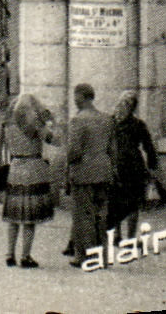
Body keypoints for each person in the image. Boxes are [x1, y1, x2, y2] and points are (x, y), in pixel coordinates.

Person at [3, 92, 59, 268]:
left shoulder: (9, 124)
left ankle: (10, 254)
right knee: (29, 217)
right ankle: (25, 255)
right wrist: (53, 123)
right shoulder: (33, 124)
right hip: (33, 167)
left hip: (15, 167)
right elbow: (53, 140)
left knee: (14, 216)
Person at [65, 83, 115, 268]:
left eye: (75, 96)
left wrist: (68, 167)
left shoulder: (78, 121)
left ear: (82, 97)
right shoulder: (106, 119)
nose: (74, 100)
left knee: (83, 216)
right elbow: (112, 149)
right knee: (101, 216)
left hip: (83, 173)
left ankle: (85, 256)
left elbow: (73, 151)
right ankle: (103, 256)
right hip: (103, 171)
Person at [106, 91, 157, 241]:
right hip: (133, 166)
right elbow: (149, 147)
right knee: (131, 203)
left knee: (116, 200)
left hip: (116, 165)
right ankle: (129, 237)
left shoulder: (110, 122)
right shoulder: (138, 124)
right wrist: (152, 167)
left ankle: (117, 234)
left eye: (125, 103)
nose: (122, 107)